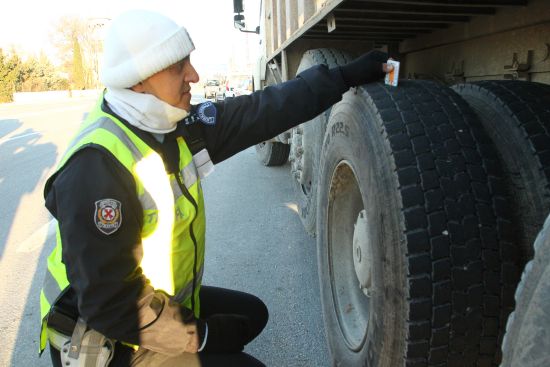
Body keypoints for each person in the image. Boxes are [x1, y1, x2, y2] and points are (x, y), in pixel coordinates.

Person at [38, 9, 393, 367]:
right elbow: (109, 303)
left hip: (149, 300)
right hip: (106, 338)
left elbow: (261, 111)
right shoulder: (96, 168)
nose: (193, 75)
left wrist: (345, 76)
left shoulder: (168, 126)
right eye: (179, 67)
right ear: (138, 81)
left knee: (251, 315)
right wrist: (201, 336)